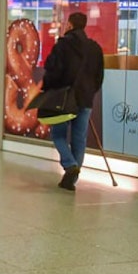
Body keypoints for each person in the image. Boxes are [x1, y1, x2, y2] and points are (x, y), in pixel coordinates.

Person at [42, 12, 105, 191]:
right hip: (85, 99)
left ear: (69, 25)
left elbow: (52, 71)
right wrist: (90, 92)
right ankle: (71, 180)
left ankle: (70, 165)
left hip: (63, 98)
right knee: (79, 139)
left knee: (58, 135)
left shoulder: (62, 45)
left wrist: (48, 89)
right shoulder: (94, 48)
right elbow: (99, 76)